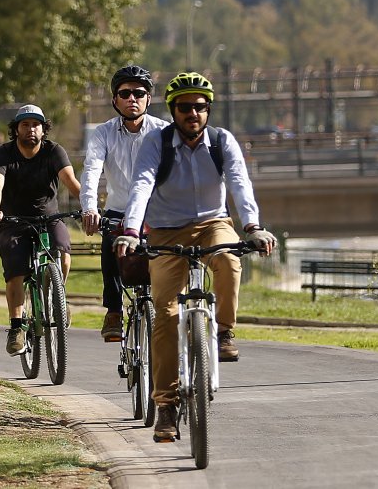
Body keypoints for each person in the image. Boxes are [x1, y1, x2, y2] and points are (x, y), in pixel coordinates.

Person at [114, 71, 276, 443]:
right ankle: (167, 407)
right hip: (166, 230)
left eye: (200, 107)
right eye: (185, 107)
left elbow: (239, 182)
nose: (193, 113)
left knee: (228, 259)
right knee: (166, 314)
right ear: (173, 111)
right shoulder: (157, 142)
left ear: (208, 110)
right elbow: (141, 185)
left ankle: (223, 331)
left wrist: (252, 227)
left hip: (212, 223)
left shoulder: (222, 142)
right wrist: (130, 231)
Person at [80, 65, 169, 342]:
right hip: (118, 211)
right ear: (115, 100)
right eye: (125, 93)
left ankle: (166, 311)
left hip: (156, 213)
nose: (133, 98)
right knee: (110, 246)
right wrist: (90, 208)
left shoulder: (164, 132)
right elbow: (92, 170)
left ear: (149, 98)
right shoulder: (103, 133)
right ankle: (114, 311)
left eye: (139, 93)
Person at [0, 104, 82, 356]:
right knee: (16, 271)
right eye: (25, 124)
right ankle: (16, 327)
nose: (31, 129)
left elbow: (71, 182)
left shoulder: (54, 151)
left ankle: (58, 298)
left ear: (43, 129)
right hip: (13, 220)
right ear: (16, 129)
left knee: (63, 253)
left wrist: (90, 206)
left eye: (36, 124)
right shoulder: (3, 154)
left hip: (48, 218)